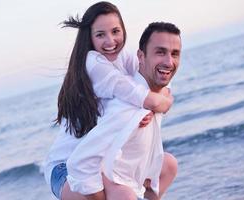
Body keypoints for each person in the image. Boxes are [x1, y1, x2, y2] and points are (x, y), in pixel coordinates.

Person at [44, 1, 178, 200]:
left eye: (115, 31)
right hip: (66, 167)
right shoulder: (92, 62)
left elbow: (153, 80)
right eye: (100, 35)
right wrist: (159, 104)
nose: (110, 41)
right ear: (89, 38)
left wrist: (156, 101)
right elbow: (141, 96)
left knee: (167, 165)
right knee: (113, 195)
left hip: (104, 161)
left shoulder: (123, 56)